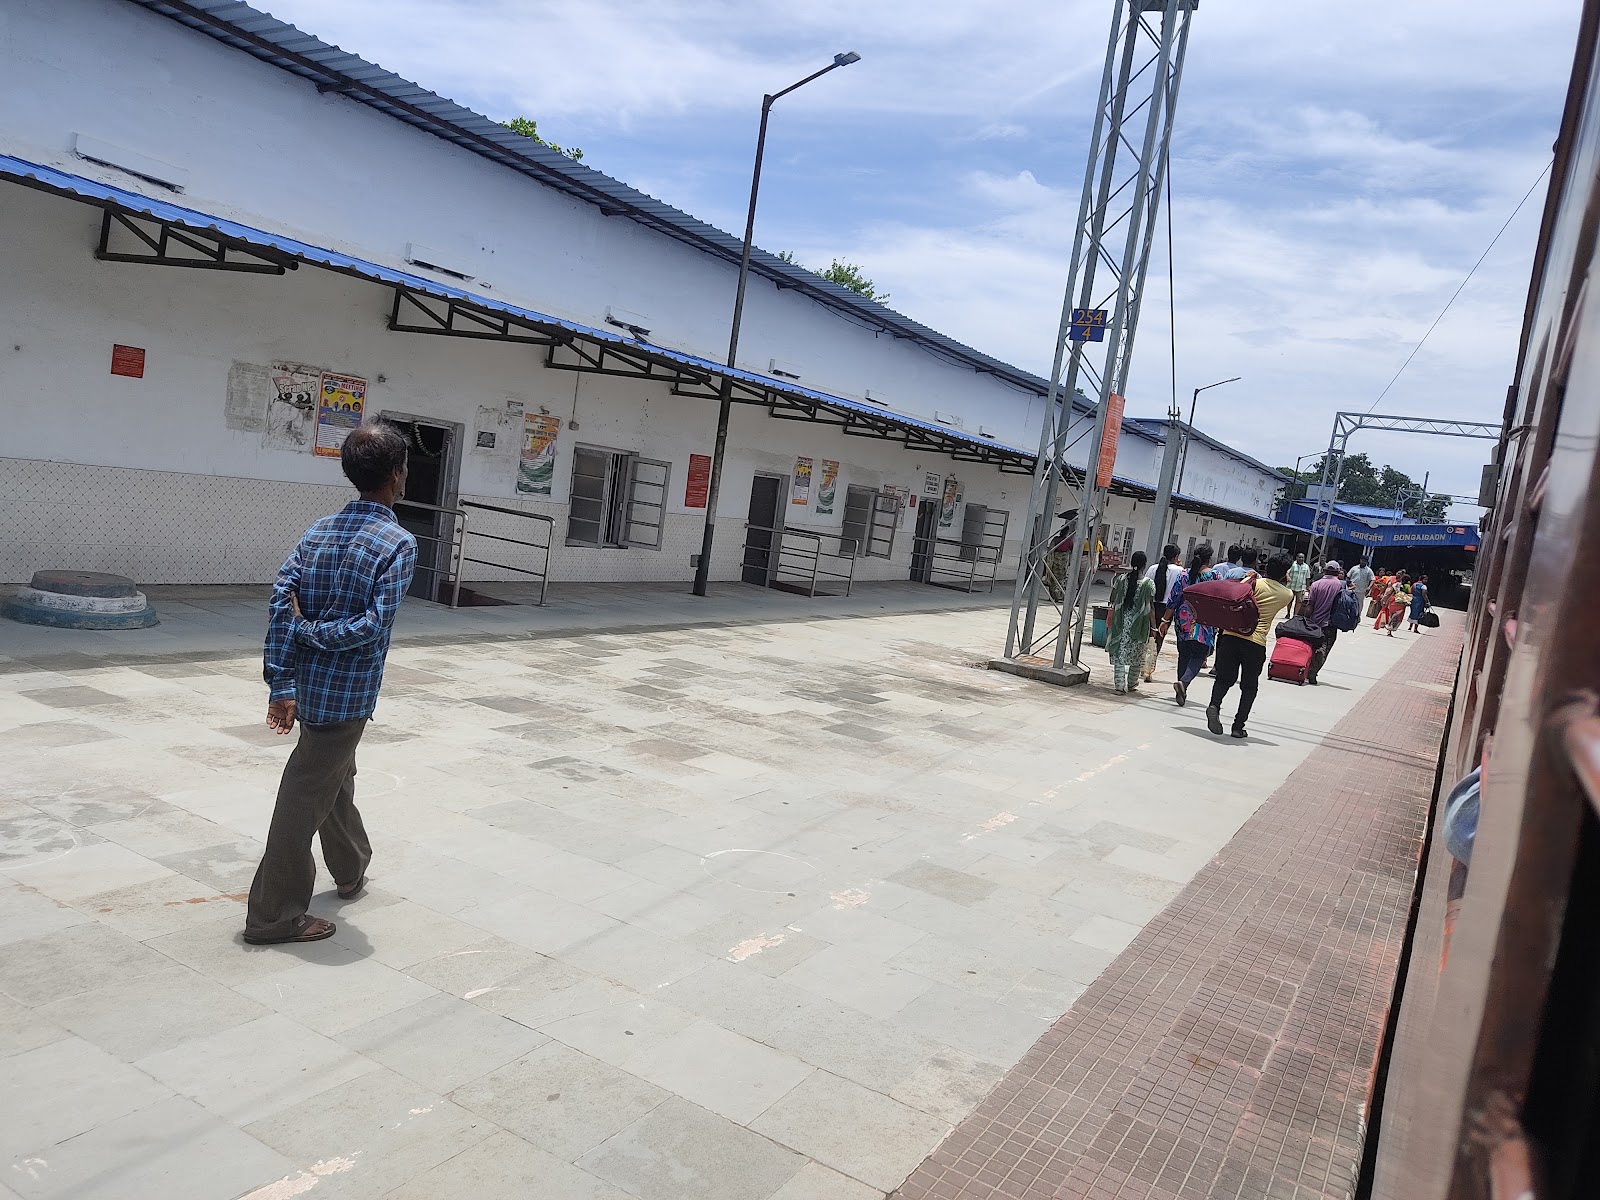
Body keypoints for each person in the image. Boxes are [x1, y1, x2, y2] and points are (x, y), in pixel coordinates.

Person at [245, 422, 418, 945]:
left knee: (333, 781)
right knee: (301, 800)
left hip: (310, 688)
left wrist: (281, 682)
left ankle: (351, 868)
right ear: (396, 475)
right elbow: (371, 626)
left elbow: (281, 605)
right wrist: (310, 631)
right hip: (347, 697)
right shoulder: (398, 543)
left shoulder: (318, 531)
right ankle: (273, 917)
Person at [1207, 553, 1294, 739]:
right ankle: (1238, 727)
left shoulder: (1252, 582)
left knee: (1224, 678)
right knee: (1249, 686)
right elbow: (1281, 589)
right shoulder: (1286, 594)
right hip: (1255, 642)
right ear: (1284, 573)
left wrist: (1251, 578)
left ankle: (1214, 705)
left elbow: (1234, 593)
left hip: (1231, 635)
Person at [1168, 543, 1217, 707]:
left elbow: (1174, 598)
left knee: (1184, 654)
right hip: (1204, 620)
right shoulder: (1214, 576)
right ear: (1209, 559)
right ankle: (1184, 682)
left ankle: (1181, 688)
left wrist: (1163, 621)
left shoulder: (1183, 575)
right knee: (1199, 655)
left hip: (1183, 620)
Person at [1106, 550, 1155, 694]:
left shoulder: (1121, 579)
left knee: (1120, 653)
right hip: (1139, 624)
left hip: (1120, 622)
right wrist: (1154, 627)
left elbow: (1112, 598)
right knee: (1137, 653)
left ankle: (1119, 685)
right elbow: (1151, 607)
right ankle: (1132, 683)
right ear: (1144, 565)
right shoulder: (1148, 584)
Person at [1143, 543, 1183, 682]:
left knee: (1146, 635)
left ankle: (1141, 665)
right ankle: (1149, 669)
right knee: (1158, 639)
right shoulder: (1179, 571)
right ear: (1176, 556)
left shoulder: (1153, 568)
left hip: (1151, 605)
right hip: (1167, 608)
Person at [1304, 560, 1346, 684]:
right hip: (1330, 623)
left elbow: (1310, 604)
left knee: (1312, 646)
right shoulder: (1341, 585)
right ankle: (1313, 672)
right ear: (1338, 572)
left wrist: (1306, 620)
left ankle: (1306, 669)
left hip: (1314, 622)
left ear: (1325, 570)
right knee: (1325, 648)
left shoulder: (1316, 584)